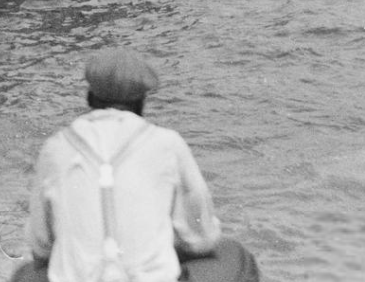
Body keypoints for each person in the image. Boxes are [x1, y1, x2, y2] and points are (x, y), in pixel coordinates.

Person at [20, 48, 243, 282]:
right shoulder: (167, 143)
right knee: (234, 254)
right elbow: (200, 238)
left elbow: (41, 245)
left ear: (90, 98)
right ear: (141, 102)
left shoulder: (55, 147)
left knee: (26, 274)